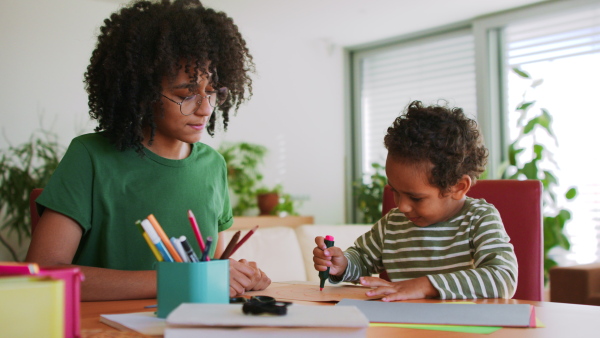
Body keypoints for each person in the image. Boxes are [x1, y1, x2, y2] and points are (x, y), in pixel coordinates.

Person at [26, 0, 270, 301]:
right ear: (141, 93)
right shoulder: (90, 157)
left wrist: (238, 276)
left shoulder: (212, 165)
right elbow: (45, 274)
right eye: (186, 94)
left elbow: (212, 267)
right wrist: (180, 279)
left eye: (211, 92)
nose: (205, 108)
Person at [313, 100, 517, 301]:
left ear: (457, 187)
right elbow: (362, 258)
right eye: (395, 191)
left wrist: (425, 285)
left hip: (462, 330)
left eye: (416, 198)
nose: (401, 206)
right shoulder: (393, 224)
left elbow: (502, 278)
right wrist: (342, 265)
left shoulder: (479, 218)